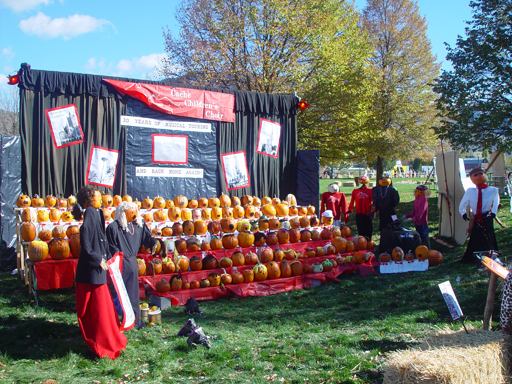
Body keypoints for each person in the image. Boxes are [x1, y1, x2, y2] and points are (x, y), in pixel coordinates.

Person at [73, 185, 126, 360]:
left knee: (102, 309)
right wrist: (98, 259)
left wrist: (108, 255)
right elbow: (86, 243)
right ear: (89, 200)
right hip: (91, 272)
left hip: (98, 270)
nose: (101, 196)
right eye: (97, 194)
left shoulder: (97, 213)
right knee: (96, 311)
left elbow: (101, 238)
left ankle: (106, 339)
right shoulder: (89, 212)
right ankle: (98, 344)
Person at [106, 201, 157, 330]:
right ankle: (120, 318)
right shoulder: (113, 227)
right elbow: (111, 246)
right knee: (120, 292)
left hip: (132, 262)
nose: (134, 214)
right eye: (131, 211)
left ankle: (133, 319)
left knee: (133, 293)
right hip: (120, 262)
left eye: (135, 211)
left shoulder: (139, 226)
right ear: (123, 213)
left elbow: (148, 237)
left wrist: (153, 243)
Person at [458, 168, 499, 264]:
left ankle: (491, 255)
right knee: (476, 236)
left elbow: (496, 201)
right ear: (471, 179)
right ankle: (475, 257)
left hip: (487, 217)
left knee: (489, 235)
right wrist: (463, 213)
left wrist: (494, 212)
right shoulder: (470, 191)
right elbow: (463, 203)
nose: (479, 176)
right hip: (477, 218)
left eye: (481, 173)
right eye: (475, 175)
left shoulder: (493, 190)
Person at [347, 175, 373, 239]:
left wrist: (374, 210)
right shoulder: (355, 191)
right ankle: (362, 241)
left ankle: (368, 241)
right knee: (360, 229)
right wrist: (350, 209)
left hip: (367, 213)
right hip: (359, 213)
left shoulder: (370, 190)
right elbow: (352, 200)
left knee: (368, 228)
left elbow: (374, 201)